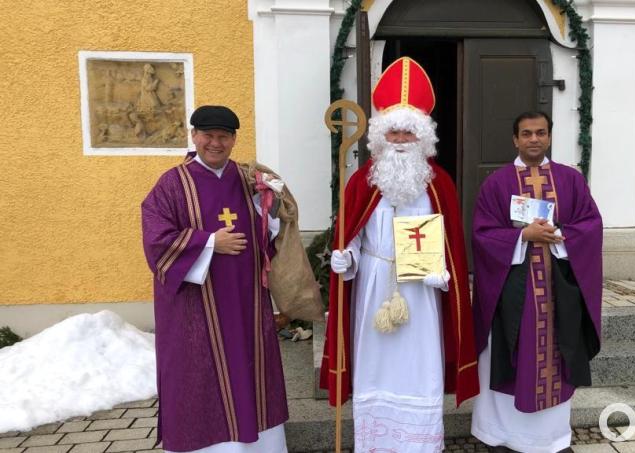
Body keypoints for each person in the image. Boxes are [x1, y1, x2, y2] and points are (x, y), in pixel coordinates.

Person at [320, 57, 479, 453]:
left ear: (423, 137)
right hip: (373, 287)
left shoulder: (439, 183)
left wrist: (441, 274)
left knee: (418, 363)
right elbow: (352, 233)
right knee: (375, 363)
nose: (401, 139)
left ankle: (419, 444)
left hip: (420, 291)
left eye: (409, 132)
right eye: (394, 130)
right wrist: (347, 259)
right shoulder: (361, 180)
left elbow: (450, 246)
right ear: (379, 135)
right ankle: (375, 444)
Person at [142, 105, 295, 453]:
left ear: (233, 139)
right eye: (208, 135)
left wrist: (270, 207)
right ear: (194, 137)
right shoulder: (172, 184)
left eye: (223, 136)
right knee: (199, 376)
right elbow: (156, 240)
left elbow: (268, 235)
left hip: (246, 301)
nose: (215, 143)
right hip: (195, 308)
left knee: (251, 371)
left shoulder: (246, 179)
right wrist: (210, 242)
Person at [470, 112, 603, 452]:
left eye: (540, 133)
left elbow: (590, 225)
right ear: (515, 139)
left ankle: (551, 439)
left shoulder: (570, 180)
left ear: (549, 137)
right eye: (526, 133)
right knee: (507, 359)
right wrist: (522, 236)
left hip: (558, 293)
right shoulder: (497, 183)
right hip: (511, 293)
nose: (533, 139)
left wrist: (556, 234)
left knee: (555, 359)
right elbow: (482, 234)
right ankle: (501, 435)